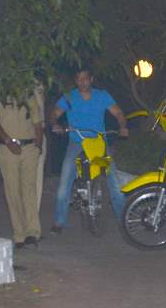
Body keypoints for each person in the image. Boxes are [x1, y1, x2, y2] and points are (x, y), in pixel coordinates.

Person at [50, 66, 128, 234]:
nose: (82, 82)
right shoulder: (70, 96)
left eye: (85, 78)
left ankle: (124, 218)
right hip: (77, 141)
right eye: (78, 79)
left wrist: (122, 126)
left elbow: (118, 112)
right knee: (65, 182)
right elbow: (55, 112)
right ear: (75, 80)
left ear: (91, 79)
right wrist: (55, 123)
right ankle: (59, 221)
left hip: (99, 142)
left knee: (114, 180)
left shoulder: (102, 96)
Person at [0, 95, 44, 248]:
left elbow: (38, 123)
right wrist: (7, 140)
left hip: (29, 147)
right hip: (7, 148)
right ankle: (19, 234)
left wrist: (38, 147)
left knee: (29, 190)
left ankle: (32, 232)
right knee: (12, 191)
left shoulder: (29, 97)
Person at [33, 79, 47, 212]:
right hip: (20, 135)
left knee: (37, 177)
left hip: (39, 133)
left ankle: (34, 215)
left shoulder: (38, 83)